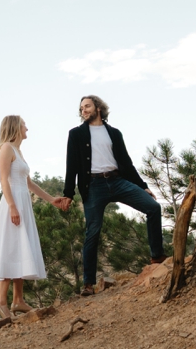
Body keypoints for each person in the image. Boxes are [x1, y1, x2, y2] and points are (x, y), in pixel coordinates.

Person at [58, 94, 164, 295]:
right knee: (93, 231)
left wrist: (142, 186)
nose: (83, 110)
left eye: (87, 106)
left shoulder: (114, 133)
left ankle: (157, 256)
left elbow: (126, 162)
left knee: (153, 207)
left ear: (98, 108)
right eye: (81, 108)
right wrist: (68, 193)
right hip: (93, 186)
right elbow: (71, 165)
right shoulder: (76, 134)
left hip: (117, 181)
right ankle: (88, 284)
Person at [0, 115, 66, 320]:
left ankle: (18, 300)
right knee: (11, 248)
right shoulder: (6, 148)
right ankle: (0, 301)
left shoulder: (18, 151)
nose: (27, 128)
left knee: (21, 247)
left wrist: (51, 200)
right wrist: (12, 207)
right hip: (13, 203)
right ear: (15, 127)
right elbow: (3, 180)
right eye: (24, 125)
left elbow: (29, 184)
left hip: (23, 203)